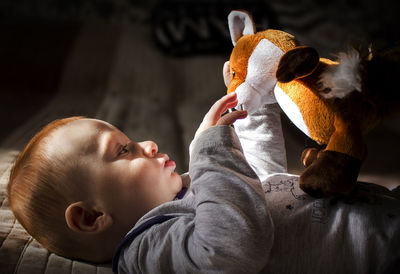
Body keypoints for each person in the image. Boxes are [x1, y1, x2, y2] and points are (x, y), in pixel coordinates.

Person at [7, 90, 400, 274]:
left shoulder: (193, 188)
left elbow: (257, 177)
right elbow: (232, 248)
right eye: (123, 150)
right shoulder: (147, 250)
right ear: (93, 217)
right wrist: (209, 152)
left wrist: (252, 105)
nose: (146, 144)